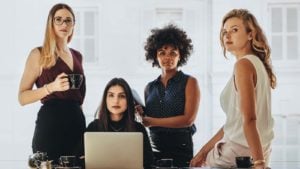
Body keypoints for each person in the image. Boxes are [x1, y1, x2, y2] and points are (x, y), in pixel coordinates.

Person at [190, 9, 276, 169]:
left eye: (234, 30)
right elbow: (234, 123)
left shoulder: (243, 65)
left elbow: (250, 119)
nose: (227, 35)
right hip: (260, 149)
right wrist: (203, 152)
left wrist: (259, 163)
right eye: (224, 32)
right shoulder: (258, 65)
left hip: (237, 154)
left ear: (250, 34)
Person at [18, 3, 86, 164]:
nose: (64, 24)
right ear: (51, 23)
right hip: (51, 125)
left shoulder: (78, 56)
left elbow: (78, 97)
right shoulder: (38, 54)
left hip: (76, 124)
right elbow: (22, 97)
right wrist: (51, 87)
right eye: (59, 20)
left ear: (73, 25)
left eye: (68, 20)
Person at [141, 24, 200, 167]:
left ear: (180, 55)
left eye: (173, 53)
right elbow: (149, 118)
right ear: (155, 55)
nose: (167, 57)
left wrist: (151, 121)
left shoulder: (190, 82)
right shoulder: (149, 87)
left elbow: (188, 120)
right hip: (154, 148)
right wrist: (141, 113)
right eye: (162, 52)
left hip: (181, 149)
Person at [86, 78, 154, 169]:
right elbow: (80, 157)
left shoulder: (138, 128)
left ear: (128, 100)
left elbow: (149, 162)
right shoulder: (93, 127)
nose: (116, 101)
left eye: (122, 96)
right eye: (111, 95)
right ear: (105, 99)